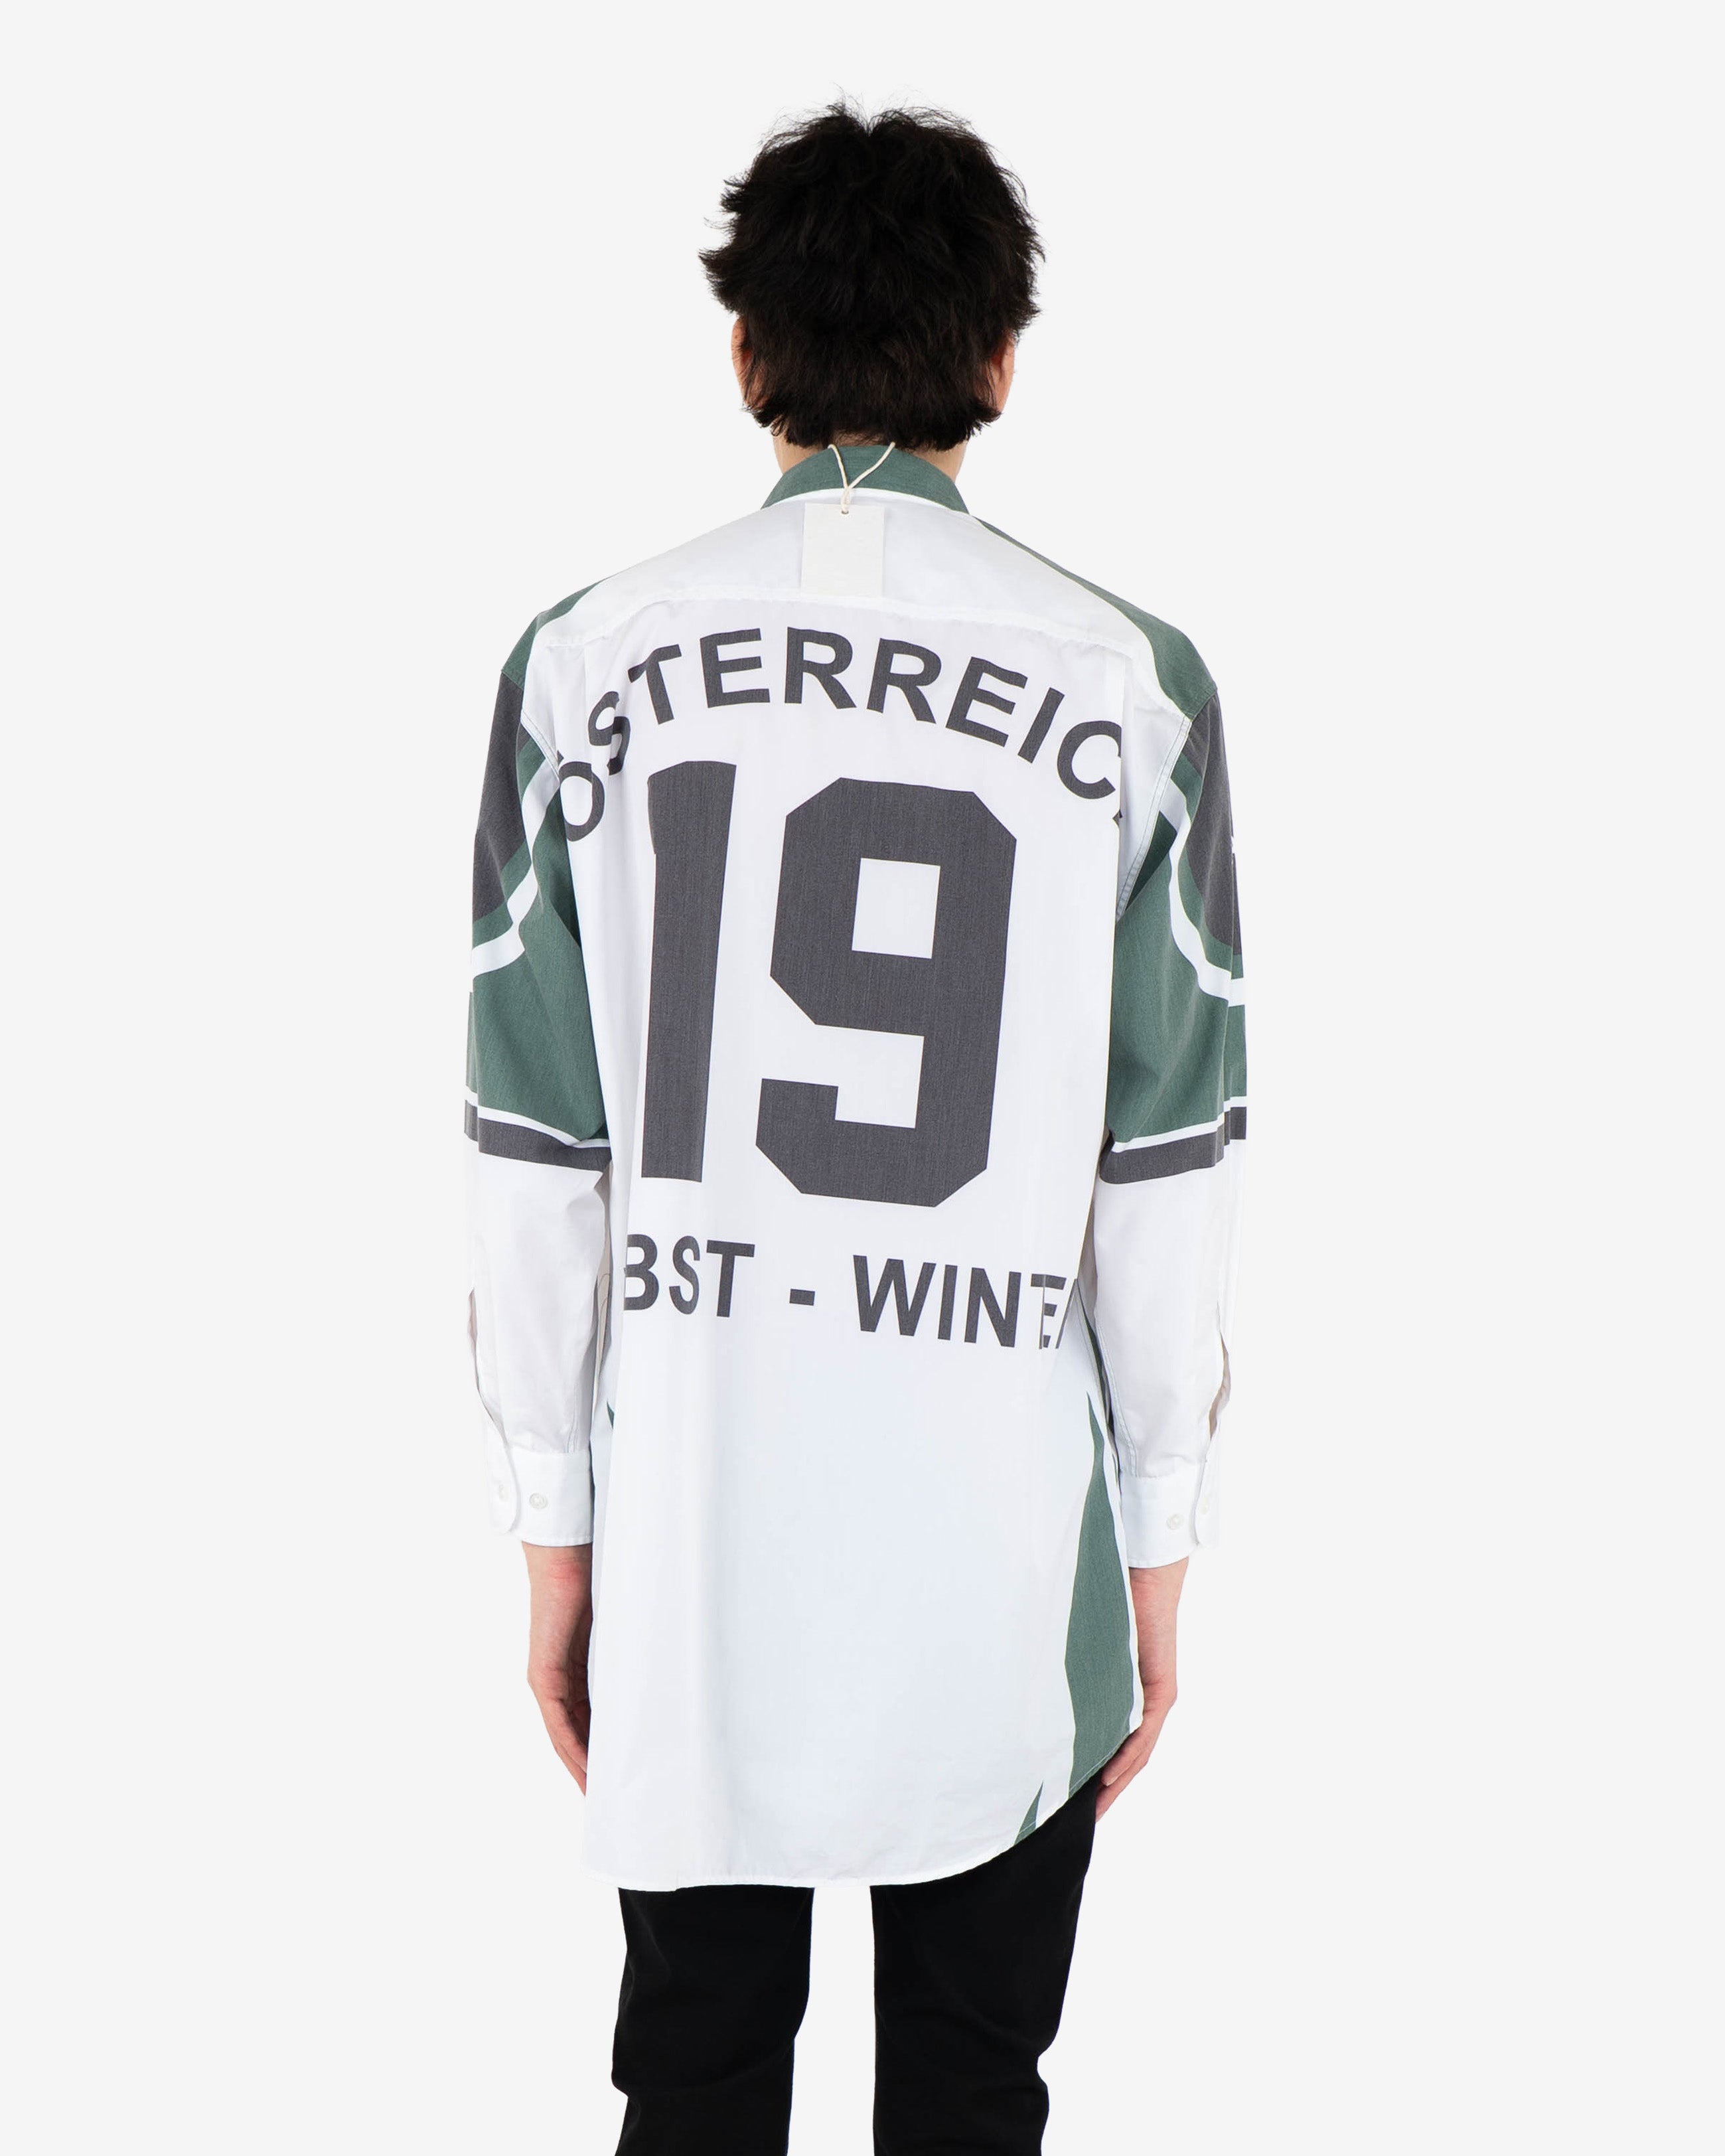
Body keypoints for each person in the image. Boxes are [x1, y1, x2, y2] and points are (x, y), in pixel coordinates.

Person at [465, 102, 1246, 2156]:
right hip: (1000, 1537)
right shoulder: (1138, 685)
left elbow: (533, 1147)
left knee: (694, 2080)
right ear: (1003, 356)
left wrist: (554, 1523)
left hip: (691, 1515)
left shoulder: (580, 662)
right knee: (976, 2095)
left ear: (745, 350)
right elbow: (1169, 1168)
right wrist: (1159, 1543)